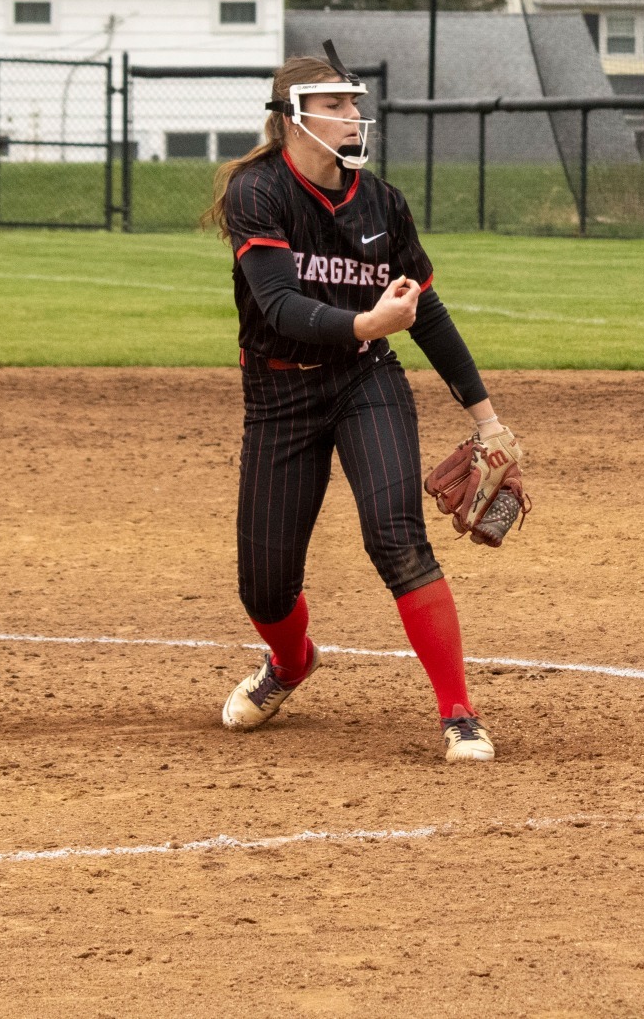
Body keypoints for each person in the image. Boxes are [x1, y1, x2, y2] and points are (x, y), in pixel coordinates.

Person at [201, 47, 508, 762]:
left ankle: (459, 712)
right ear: (292, 121)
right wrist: (370, 320)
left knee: (397, 538)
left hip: (365, 380)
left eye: (351, 103)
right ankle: (290, 661)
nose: (351, 115)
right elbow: (279, 306)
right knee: (265, 582)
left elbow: (424, 312)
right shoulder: (259, 192)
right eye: (333, 105)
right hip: (279, 390)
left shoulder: (381, 203)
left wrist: (486, 418)